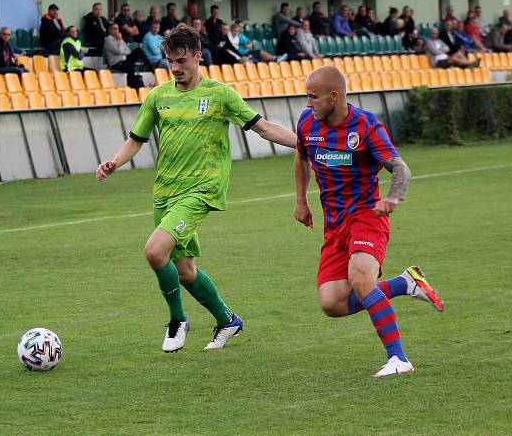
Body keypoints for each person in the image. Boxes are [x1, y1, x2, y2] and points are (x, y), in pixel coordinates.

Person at [96, 25, 298, 353]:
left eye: (182, 60)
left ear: (198, 57)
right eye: (170, 61)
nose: (175, 67)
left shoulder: (220, 95)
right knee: (186, 271)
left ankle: (178, 320)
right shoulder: (158, 97)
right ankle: (227, 319)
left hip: (201, 190)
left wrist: (307, 144)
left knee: (154, 251)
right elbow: (136, 140)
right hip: (165, 193)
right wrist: (114, 163)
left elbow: (263, 128)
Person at [293, 65, 444, 377]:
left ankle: (398, 359)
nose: (308, 103)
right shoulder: (308, 122)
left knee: (361, 279)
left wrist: (392, 198)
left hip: (367, 216)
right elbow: (301, 157)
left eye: (313, 97)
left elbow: (400, 168)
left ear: (334, 97)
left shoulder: (365, 126)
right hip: (334, 224)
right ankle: (405, 282)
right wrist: (301, 200)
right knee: (332, 303)